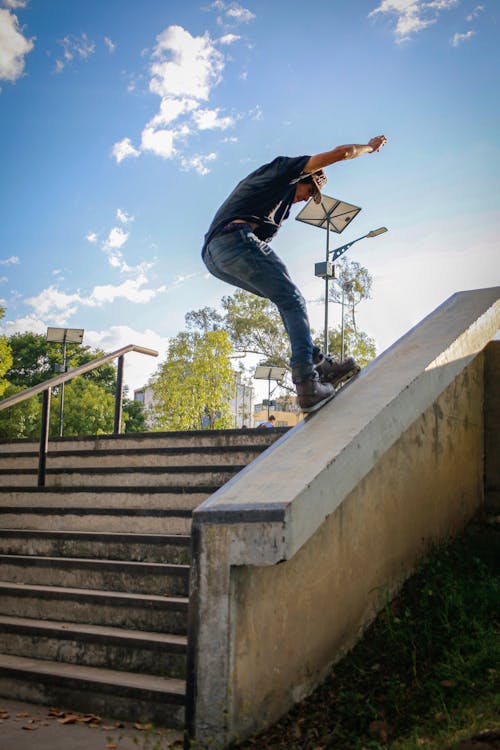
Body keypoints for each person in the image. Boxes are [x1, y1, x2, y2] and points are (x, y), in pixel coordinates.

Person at [202, 135, 387, 412]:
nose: (305, 199)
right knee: (293, 300)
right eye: (308, 190)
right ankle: (307, 383)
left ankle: (318, 363)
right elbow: (342, 153)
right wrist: (369, 148)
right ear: (304, 177)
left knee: (285, 299)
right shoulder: (285, 171)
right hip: (232, 240)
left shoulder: (274, 203)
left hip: (215, 256)